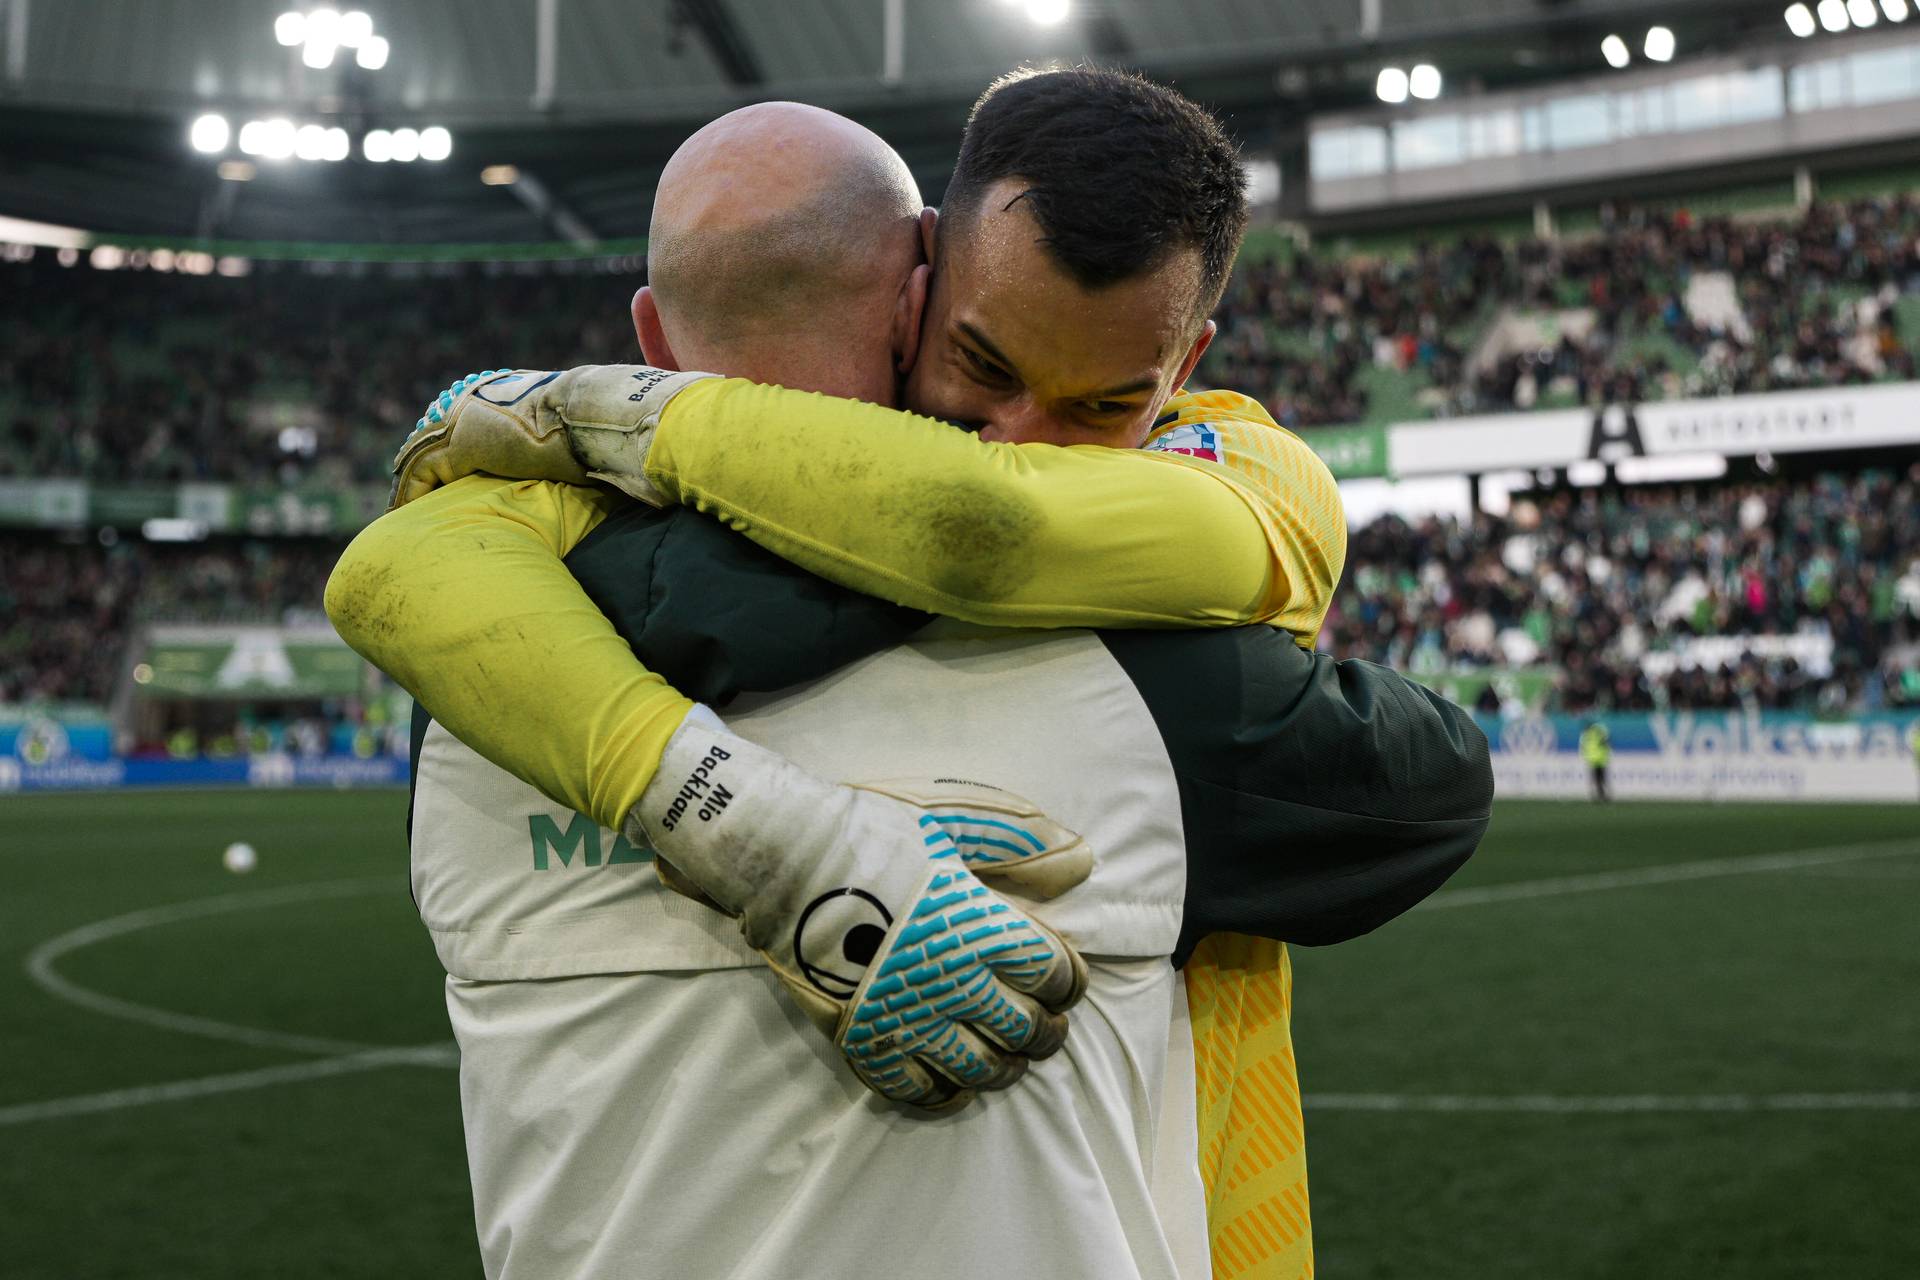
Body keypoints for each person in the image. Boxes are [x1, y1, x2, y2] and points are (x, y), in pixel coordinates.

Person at [332, 73, 1489, 1279]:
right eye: (982, 368)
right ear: (916, 292)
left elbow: (385, 572)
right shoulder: (1147, 667)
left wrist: (602, 422)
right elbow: (1430, 783)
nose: (1022, 444)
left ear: (653, 339)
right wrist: (768, 833)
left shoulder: (470, 697)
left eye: (1098, 405)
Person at [1581, 720, 1613, 802]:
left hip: (1593, 760)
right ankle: (1602, 795)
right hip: (1600, 759)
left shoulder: (1586, 735)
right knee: (1602, 779)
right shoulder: (1598, 732)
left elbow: (1584, 747)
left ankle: (1598, 795)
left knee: (1596, 779)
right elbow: (1607, 740)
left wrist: (1585, 756)